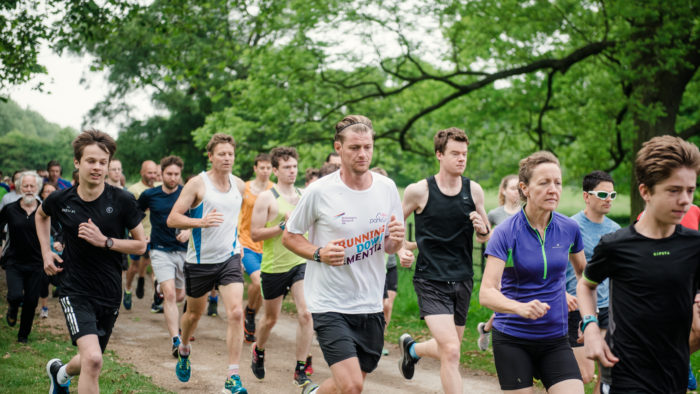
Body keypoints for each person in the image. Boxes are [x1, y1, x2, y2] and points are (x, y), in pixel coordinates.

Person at [282, 115, 405, 394]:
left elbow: (390, 246)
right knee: (351, 387)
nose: (362, 154)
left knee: (347, 385)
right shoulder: (319, 191)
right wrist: (318, 253)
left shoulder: (387, 189)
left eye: (368, 147)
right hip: (329, 303)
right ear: (338, 148)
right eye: (354, 148)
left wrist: (396, 242)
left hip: (370, 303)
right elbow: (290, 236)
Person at [578, 135, 700, 393]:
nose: (685, 200)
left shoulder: (695, 246)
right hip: (624, 372)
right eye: (674, 190)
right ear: (645, 191)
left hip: (673, 373)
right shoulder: (615, 245)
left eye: (690, 190)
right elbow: (586, 285)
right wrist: (590, 327)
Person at [38, 129, 147, 394]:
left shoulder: (122, 200)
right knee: (94, 359)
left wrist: (106, 241)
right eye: (91, 161)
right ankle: (63, 374)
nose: (97, 167)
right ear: (77, 162)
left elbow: (141, 244)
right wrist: (45, 252)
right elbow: (41, 216)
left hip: (109, 291)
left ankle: (60, 373)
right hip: (74, 289)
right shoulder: (61, 200)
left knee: (91, 358)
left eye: (102, 162)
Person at [479, 151, 587, 393]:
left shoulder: (569, 228)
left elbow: (584, 277)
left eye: (557, 183)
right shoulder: (506, 233)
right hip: (513, 337)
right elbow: (486, 293)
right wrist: (520, 307)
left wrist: (587, 316)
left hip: (555, 338)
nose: (553, 189)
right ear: (524, 188)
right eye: (544, 183)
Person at [397, 128, 490, 394]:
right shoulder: (419, 191)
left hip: (462, 278)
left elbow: (485, 236)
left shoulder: (474, 190)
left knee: (451, 347)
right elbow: (393, 225)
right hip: (430, 279)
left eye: (465, 154)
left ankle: (412, 349)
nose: (462, 159)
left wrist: (481, 228)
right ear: (439, 155)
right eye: (455, 154)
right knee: (451, 350)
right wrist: (401, 250)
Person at [167, 133, 248, 393]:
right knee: (193, 315)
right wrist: (199, 223)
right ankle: (184, 347)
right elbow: (173, 219)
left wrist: (240, 242)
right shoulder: (197, 184)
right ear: (210, 156)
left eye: (230, 154)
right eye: (221, 154)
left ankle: (232, 376)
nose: (227, 158)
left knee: (236, 312)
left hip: (230, 258)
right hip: (200, 262)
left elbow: (236, 218)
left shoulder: (240, 185)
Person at [249, 146, 315, 389]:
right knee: (269, 319)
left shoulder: (305, 195)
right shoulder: (267, 198)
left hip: (300, 261)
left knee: (306, 313)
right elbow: (255, 234)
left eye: (294, 166)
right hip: (274, 266)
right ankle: (259, 349)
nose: (292, 171)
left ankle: (301, 370)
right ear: (275, 170)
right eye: (286, 167)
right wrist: (280, 226)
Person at [564, 171, 620, 392]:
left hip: (607, 307)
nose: (608, 199)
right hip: (577, 307)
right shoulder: (570, 226)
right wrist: (561, 293)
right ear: (586, 196)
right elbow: (555, 265)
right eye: (603, 194)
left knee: (606, 373)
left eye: (612, 194)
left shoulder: (615, 230)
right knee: (585, 375)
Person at [137, 155, 190, 358]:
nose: (173, 178)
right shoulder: (150, 195)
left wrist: (189, 231)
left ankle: (159, 285)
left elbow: (197, 219)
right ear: (162, 173)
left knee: (180, 296)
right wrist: (141, 235)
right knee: (169, 295)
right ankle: (175, 340)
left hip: (184, 251)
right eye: (169, 174)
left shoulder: (188, 194)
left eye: (177, 174)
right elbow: (135, 216)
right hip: (159, 250)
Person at [476, 174, 520, 351]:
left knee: (512, 300)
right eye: (512, 188)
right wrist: (491, 234)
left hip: (521, 265)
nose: (516, 192)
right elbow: (481, 238)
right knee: (506, 300)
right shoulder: (495, 214)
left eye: (519, 188)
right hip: (500, 265)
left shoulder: (527, 212)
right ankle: (503, 338)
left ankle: (486, 328)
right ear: (503, 190)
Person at [1, 171, 45, 342]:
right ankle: (12, 308)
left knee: (31, 301)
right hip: (14, 261)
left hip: (36, 263)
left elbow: (57, 230)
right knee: (15, 295)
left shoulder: (44, 210)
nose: (28, 189)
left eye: (32, 186)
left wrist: (58, 242)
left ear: (37, 188)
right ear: (19, 188)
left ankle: (23, 335)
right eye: (25, 186)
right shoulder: (10, 209)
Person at [234, 153, 273, 341]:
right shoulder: (246, 188)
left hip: (268, 246)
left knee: (262, 286)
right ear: (255, 168)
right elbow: (234, 210)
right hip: (246, 242)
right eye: (262, 167)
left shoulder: (275, 190)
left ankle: (250, 313)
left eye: (268, 168)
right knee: (257, 281)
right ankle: (249, 313)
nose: (265, 171)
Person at [124, 160, 159, 308]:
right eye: (149, 173)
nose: (152, 176)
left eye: (154, 173)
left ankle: (158, 297)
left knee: (156, 265)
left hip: (156, 234)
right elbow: (129, 216)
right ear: (142, 173)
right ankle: (128, 289)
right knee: (134, 266)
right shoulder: (134, 190)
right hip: (139, 234)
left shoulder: (160, 188)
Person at [38, 182, 62, 319]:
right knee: (44, 281)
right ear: (42, 194)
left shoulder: (62, 210)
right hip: (44, 252)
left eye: (52, 191)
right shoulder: (39, 211)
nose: (49, 194)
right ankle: (44, 307)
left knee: (61, 281)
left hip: (60, 253)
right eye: (46, 191)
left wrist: (62, 243)